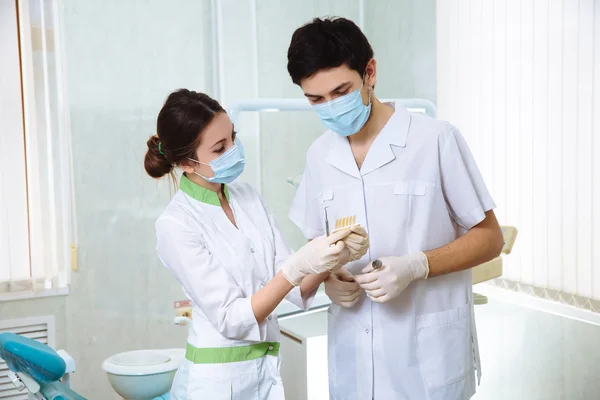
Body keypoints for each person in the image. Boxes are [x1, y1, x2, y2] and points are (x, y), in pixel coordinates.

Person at [286, 17, 504, 400]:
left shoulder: (435, 139)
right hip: (353, 362)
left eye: (341, 91)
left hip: (426, 364)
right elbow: (317, 245)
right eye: (316, 100)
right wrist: (329, 280)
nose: (331, 108)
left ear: (369, 72)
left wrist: (416, 265)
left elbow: (489, 239)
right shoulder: (319, 155)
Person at [143, 89, 369, 399]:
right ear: (187, 162)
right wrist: (298, 266)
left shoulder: (245, 195)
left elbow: (291, 286)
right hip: (217, 384)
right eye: (220, 148)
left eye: (233, 138)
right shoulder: (176, 225)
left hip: (265, 373)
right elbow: (232, 318)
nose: (234, 150)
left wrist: (333, 256)